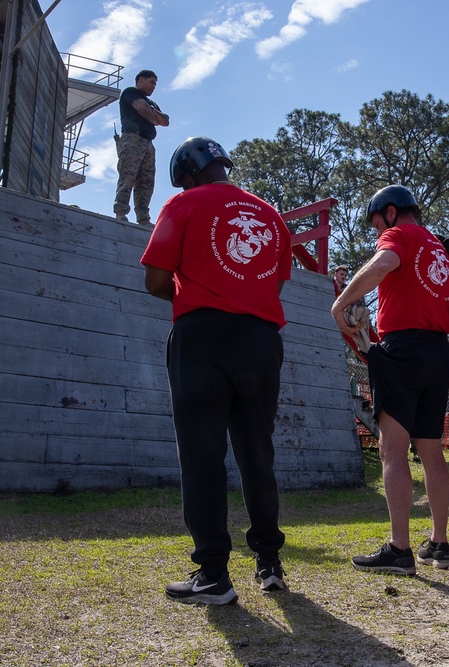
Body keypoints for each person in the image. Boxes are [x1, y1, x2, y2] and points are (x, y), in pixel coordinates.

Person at [140, 136, 291, 605]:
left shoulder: (183, 204)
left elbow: (155, 279)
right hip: (262, 341)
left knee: (202, 455)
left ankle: (212, 574)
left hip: (202, 336)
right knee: (256, 455)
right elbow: (274, 279)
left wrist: (197, 296)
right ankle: (269, 564)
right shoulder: (269, 214)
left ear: (186, 175)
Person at [331, 185, 449, 574]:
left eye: (375, 224)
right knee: (432, 452)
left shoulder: (399, 234)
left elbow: (383, 264)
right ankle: (439, 543)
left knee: (392, 451)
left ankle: (399, 548)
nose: (375, 232)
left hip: (403, 350)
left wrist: (341, 302)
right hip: (439, 350)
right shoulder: (439, 247)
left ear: (389, 212)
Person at [114, 69, 169, 225]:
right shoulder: (130, 92)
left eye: (155, 84)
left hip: (148, 143)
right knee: (128, 175)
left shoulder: (152, 103)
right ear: (141, 80)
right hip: (132, 139)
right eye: (151, 82)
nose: (153, 87)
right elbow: (140, 107)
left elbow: (165, 121)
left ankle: (143, 218)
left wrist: (151, 112)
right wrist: (153, 118)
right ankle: (120, 211)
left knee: (146, 181)